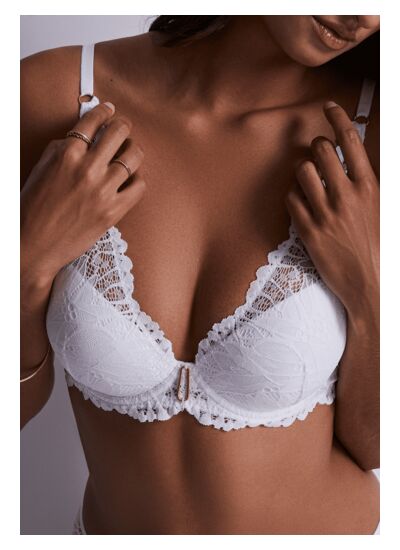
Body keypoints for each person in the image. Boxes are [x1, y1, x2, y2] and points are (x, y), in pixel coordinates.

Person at [20, 15, 380, 534]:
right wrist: (25, 265)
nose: (364, 16)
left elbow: (375, 446)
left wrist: (370, 293)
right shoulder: (50, 96)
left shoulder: (375, 133)